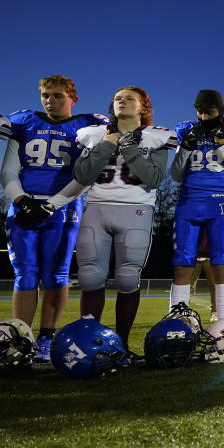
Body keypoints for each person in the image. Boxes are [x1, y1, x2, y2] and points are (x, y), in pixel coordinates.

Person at [0, 75, 109, 361]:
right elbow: (8, 171)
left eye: (58, 95)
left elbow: (87, 174)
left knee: (56, 273)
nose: (51, 101)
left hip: (64, 206)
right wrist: (22, 201)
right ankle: (23, 339)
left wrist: (52, 204)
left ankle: (47, 340)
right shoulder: (23, 122)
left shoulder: (87, 124)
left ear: (73, 97)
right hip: (23, 202)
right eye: (46, 95)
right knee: (24, 274)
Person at [71, 86, 176, 351]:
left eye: (130, 98)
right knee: (90, 278)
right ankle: (89, 341)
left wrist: (129, 149)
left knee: (128, 279)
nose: (122, 101)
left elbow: (153, 179)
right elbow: (82, 176)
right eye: (118, 98)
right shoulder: (95, 134)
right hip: (97, 207)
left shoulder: (155, 136)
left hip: (136, 208)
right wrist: (108, 144)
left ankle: (122, 344)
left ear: (143, 107)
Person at [168, 90, 224, 320]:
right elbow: (176, 175)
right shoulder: (186, 130)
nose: (204, 117)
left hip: (222, 203)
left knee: (221, 262)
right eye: (200, 111)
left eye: (210, 111)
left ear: (220, 110)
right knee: (183, 264)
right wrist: (186, 146)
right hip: (189, 203)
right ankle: (178, 321)